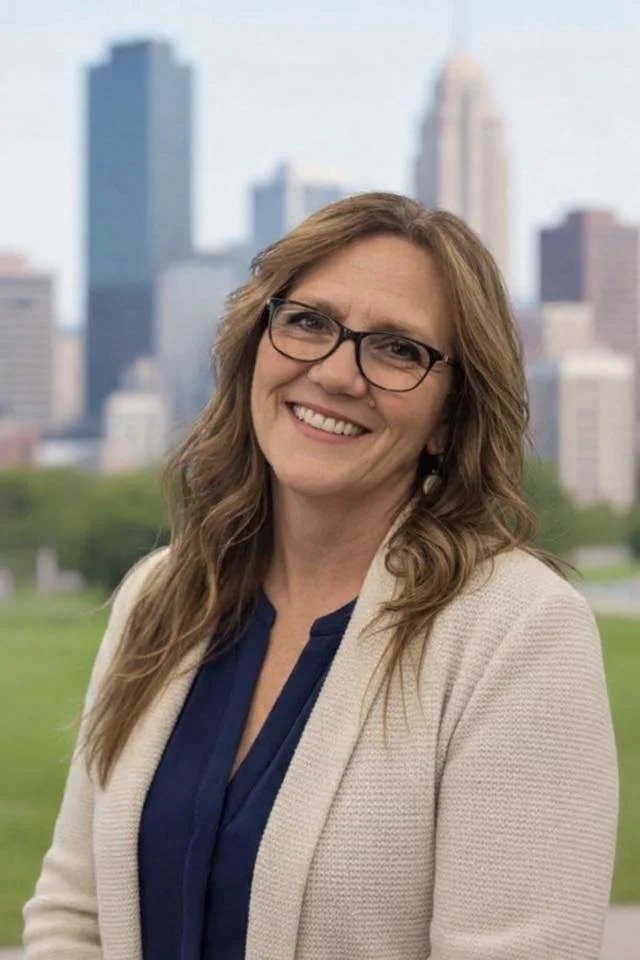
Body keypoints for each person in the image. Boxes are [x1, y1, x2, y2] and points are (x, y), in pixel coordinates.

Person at [23, 193, 618, 960]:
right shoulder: (161, 595)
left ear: (448, 418)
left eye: (398, 349)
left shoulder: (517, 632)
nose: (337, 374)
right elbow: (74, 915)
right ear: (257, 344)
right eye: (308, 322)